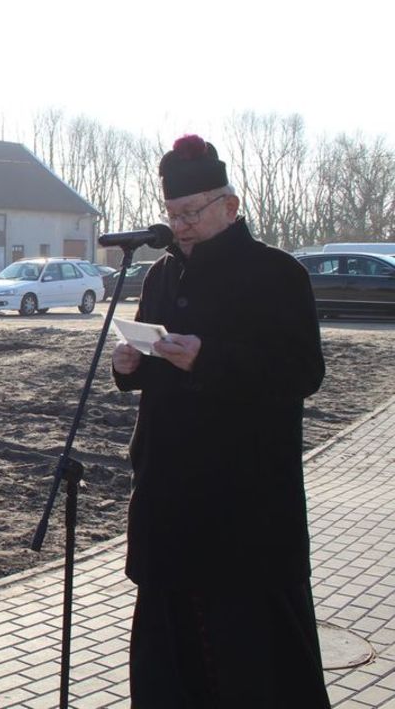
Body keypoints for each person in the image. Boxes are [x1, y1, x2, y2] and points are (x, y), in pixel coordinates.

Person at [111, 134, 329, 707]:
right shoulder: (161, 275)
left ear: (229, 206)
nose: (180, 226)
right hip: (168, 499)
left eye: (191, 213)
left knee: (247, 665)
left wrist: (208, 358)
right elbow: (151, 359)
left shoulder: (278, 273)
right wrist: (129, 365)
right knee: (169, 659)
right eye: (173, 214)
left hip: (243, 508)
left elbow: (302, 372)